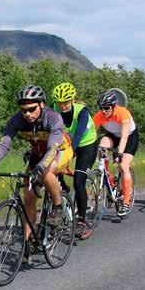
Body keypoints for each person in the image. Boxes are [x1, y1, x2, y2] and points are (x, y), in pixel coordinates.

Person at [0, 85, 73, 252]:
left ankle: (57, 207)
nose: (27, 114)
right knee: (28, 196)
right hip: (38, 154)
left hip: (60, 151)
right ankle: (29, 239)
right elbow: (4, 143)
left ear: (42, 104)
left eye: (31, 109)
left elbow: (53, 148)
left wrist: (42, 166)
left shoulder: (53, 118)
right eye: (23, 110)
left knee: (45, 172)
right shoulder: (17, 120)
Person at [52, 82, 97, 240]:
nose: (62, 106)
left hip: (87, 144)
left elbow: (78, 134)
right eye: (59, 102)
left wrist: (70, 152)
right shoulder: (55, 109)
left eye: (65, 102)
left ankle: (82, 220)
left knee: (79, 180)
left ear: (72, 100)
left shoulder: (82, 111)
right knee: (52, 167)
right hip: (68, 142)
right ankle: (62, 187)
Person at [93, 90, 137, 217]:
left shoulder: (123, 113)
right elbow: (90, 134)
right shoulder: (100, 115)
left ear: (113, 106)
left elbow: (124, 137)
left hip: (129, 137)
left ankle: (126, 202)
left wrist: (120, 153)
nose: (103, 111)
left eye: (106, 108)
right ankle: (106, 176)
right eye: (101, 108)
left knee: (123, 166)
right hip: (113, 136)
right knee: (102, 145)